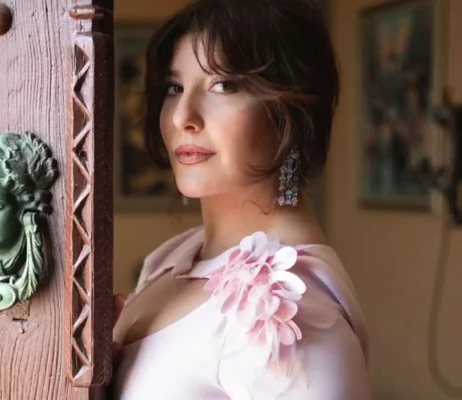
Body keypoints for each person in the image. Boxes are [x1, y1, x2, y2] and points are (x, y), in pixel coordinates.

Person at [112, 0, 371, 398]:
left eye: (223, 85)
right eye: (174, 87)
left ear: (291, 110)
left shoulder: (291, 316)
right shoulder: (173, 257)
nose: (182, 117)